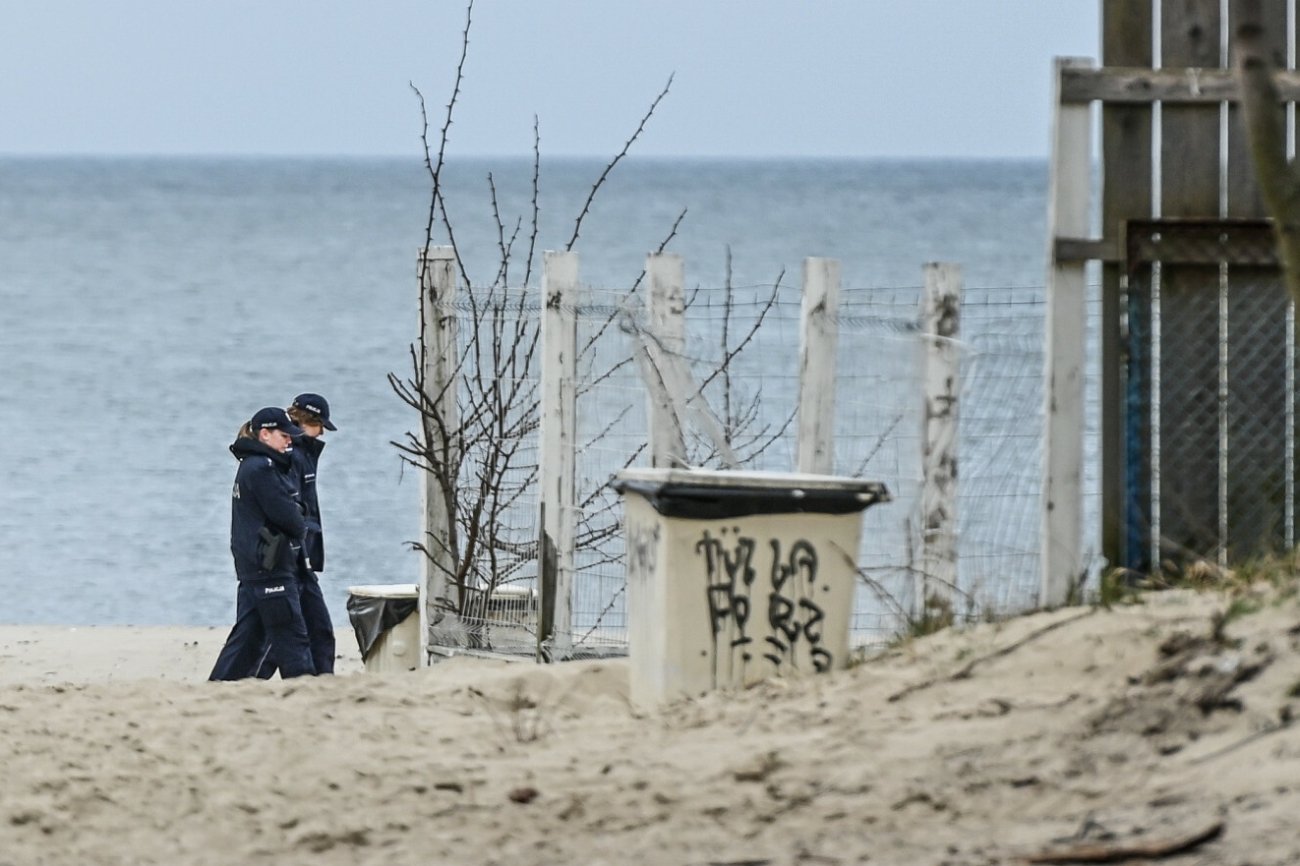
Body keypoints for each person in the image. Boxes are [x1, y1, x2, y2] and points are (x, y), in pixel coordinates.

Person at [209, 407, 316, 680]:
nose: (289, 441)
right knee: (292, 637)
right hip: (270, 567)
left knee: (247, 637)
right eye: (284, 435)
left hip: (253, 566)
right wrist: (298, 513)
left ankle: (219, 687)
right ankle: (305, 689)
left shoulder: (250, 465)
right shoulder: (262, 469)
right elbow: (292, 520)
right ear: (265, 434)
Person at [255, 392, 338, 677]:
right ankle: (250, 680)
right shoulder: (292, 458)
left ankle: (322, 680)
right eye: (318, 425)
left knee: (317, 630)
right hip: (291, 557)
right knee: (284, 633)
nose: (322, 432)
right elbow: (291, 509)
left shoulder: (305, 454)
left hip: (302, 557)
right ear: (304, 422)